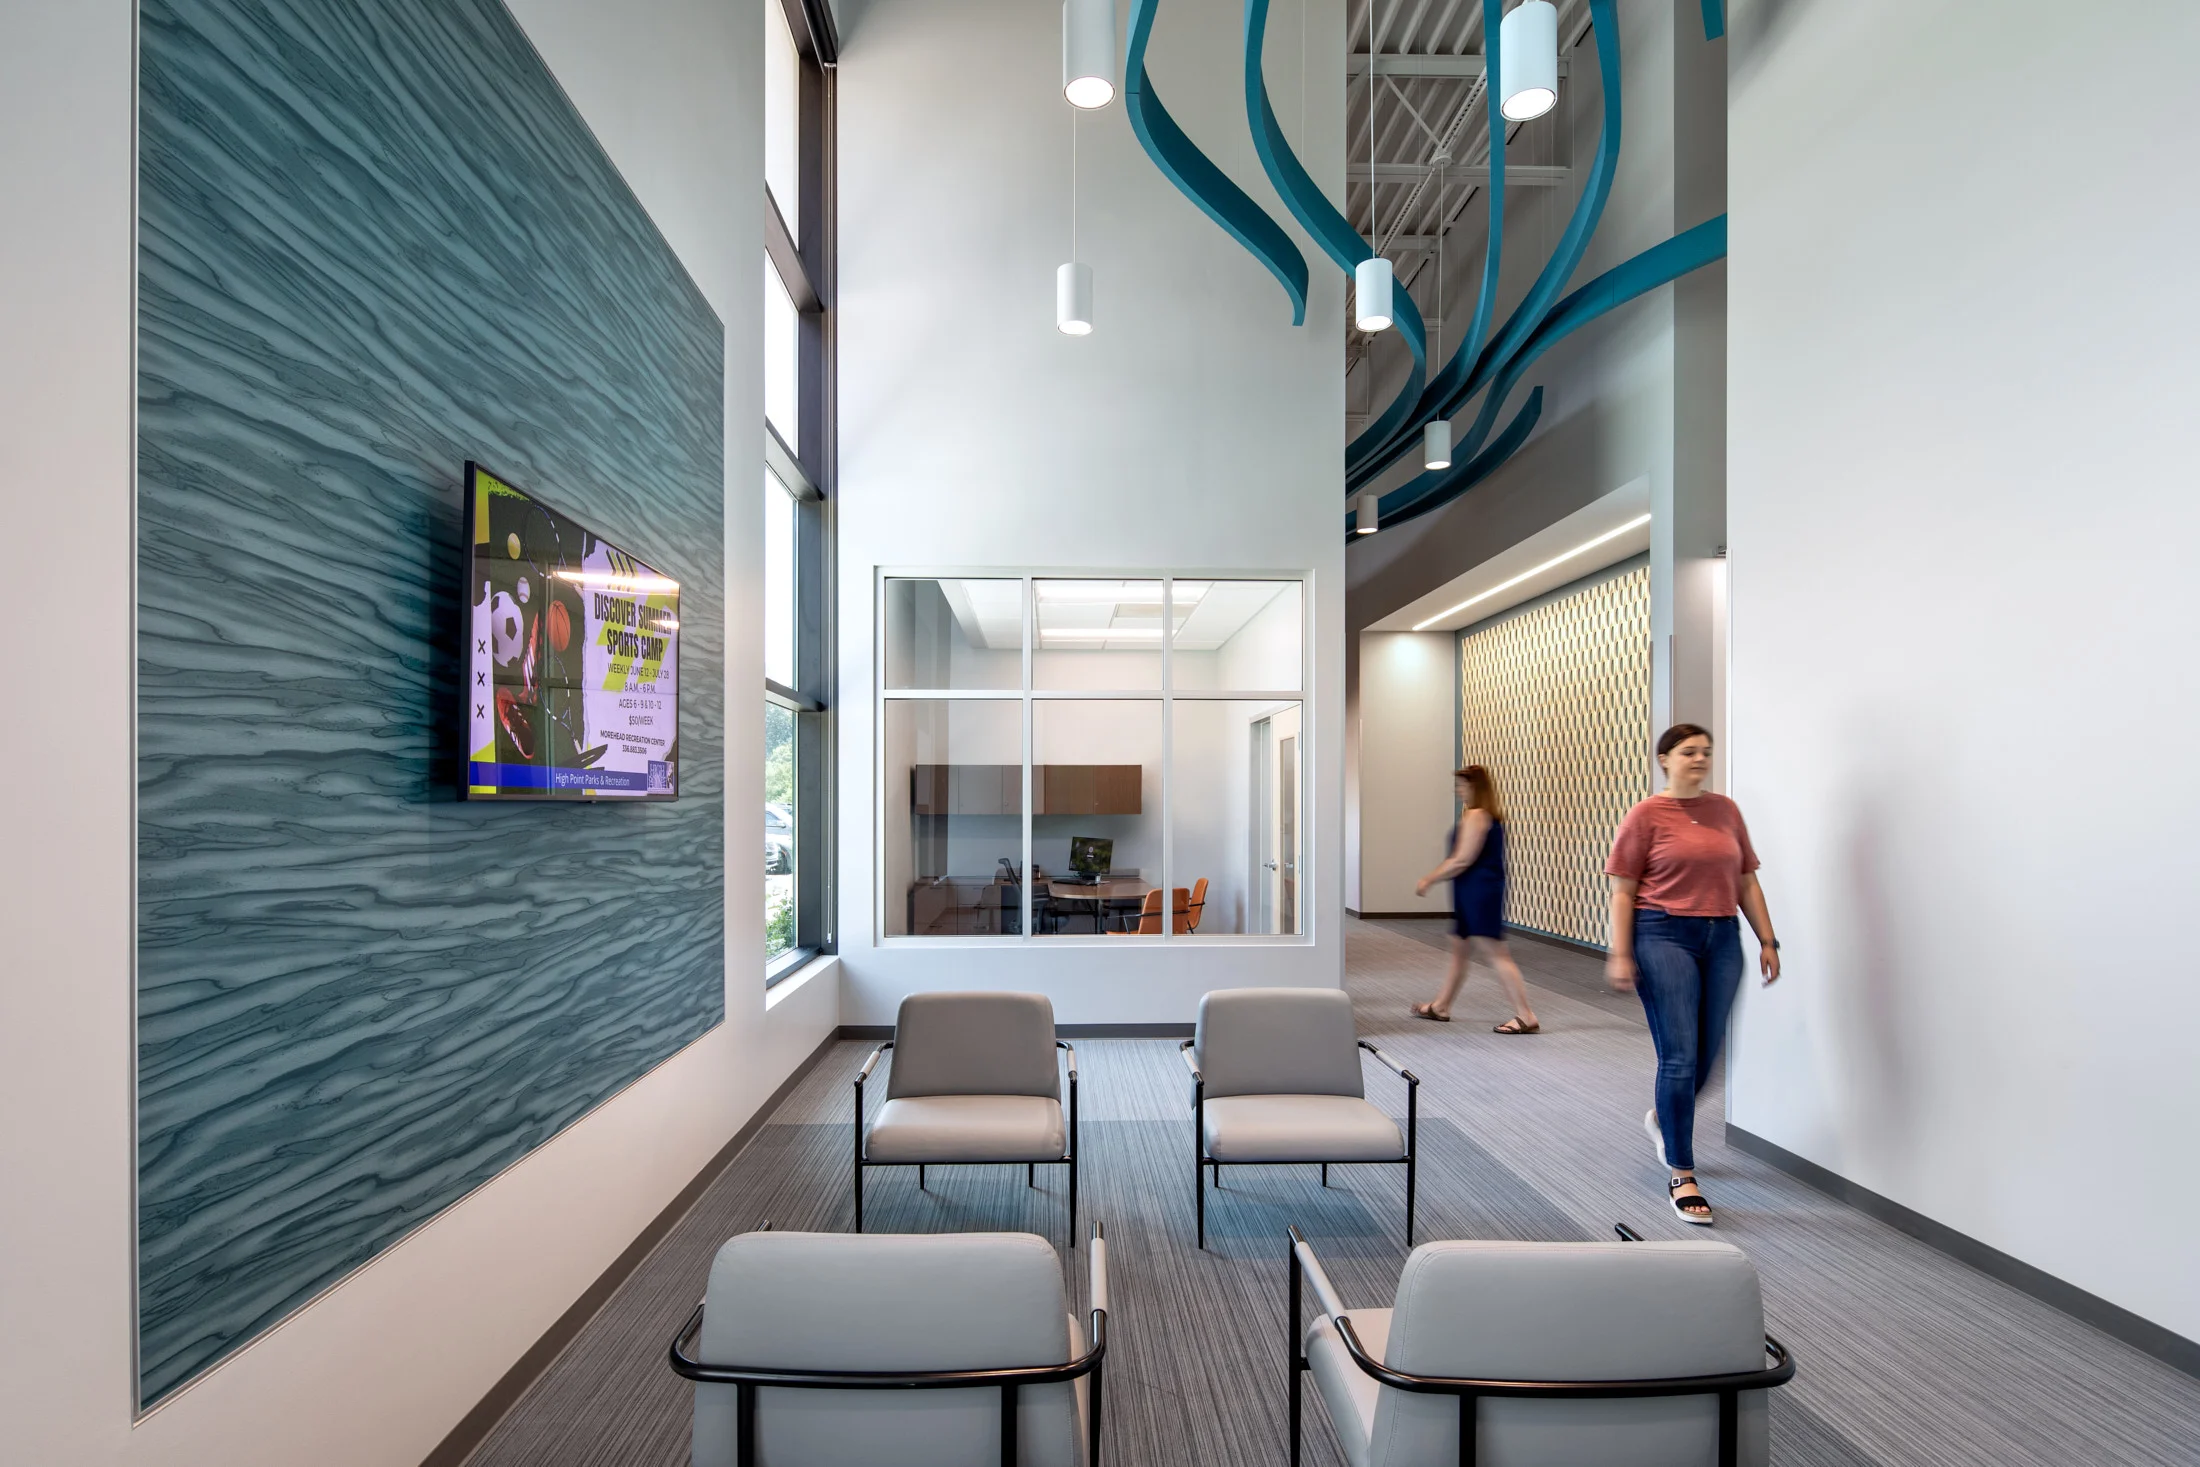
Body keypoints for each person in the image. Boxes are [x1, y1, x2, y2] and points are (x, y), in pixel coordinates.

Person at [1605, 724, 1781, 1225]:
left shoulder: (1726, 811)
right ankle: (1682, 1173)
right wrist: (1621, 952)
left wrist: (1767, 939)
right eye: (1688, 751)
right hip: (1662, 935)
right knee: (1679, 1056)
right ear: (1665, 759)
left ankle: (1665, 1117)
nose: (1699, 758)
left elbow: (1746, 880)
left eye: (1706, 751)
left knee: (1708, 1056)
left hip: (1722, 937)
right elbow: (1622, 889)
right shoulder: (1645, 816)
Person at [1412, 765, 1540, 1034]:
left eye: (1463, 785)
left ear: (1476, 787)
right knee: (1459, 951)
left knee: (1497, 954)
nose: (1458, 790)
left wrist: (1429, 878)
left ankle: (1526, 1015)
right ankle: (1442, 1006)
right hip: (1471, 890)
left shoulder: (1477, 815)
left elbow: (1462, 859)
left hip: (1478, 892)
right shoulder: (1482, 816)